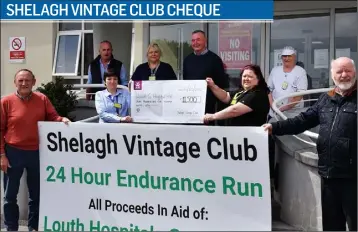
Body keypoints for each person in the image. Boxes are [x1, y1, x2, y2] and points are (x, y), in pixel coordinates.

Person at [263, 57, 357, 231]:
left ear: (355, 72)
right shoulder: (325, 99)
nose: (344, 75)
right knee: (331, 226)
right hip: (328, 176)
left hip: (354, 178)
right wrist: (274, 127)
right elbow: (302, 120)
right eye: (339, 71)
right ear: (332, 74)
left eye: (348, 71)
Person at [0, 69, 71, 231]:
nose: (24, 83)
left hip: (36, 153)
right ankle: (11, 227)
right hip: (13, 153)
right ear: (15, 83)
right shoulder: (6, 102)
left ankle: (34, 227)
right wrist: (2, 155)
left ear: (34, 81)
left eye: (27, 80)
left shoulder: (42, 99)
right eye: (20, 80)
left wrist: (62, 119)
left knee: (36, 195)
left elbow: (53, 116)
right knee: (10, 196)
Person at [267, 46, 308, 191]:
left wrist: (283, 108)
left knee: (292, 145)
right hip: (274, 114)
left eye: (289, 56)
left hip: (292, 115)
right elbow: (269, 90)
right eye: (284, 56)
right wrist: (273, 106)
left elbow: (299, 94)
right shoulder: (275, 70)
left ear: (294, 57)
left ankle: (293, 183)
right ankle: (273, 180)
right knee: (273, 148)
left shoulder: (300, 71)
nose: (286, 59)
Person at [183, 30, 229, 123]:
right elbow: (185, 81)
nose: (195, 43)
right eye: (193, 40)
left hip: (209, 107)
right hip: (190, 106)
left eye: (198, 40)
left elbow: (222, 84)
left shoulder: (215, 59)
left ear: (205, 41)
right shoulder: (187, 60)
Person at [203, 64, 270, 127]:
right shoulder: (241, 91)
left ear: (258, 79)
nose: (246, 79)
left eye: (250, 77)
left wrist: (213, 116)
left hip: (250, 136)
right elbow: (226, 96)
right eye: (244, 76)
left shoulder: (257, 94)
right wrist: (212, 86)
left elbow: (234, 110)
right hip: (237, 135)